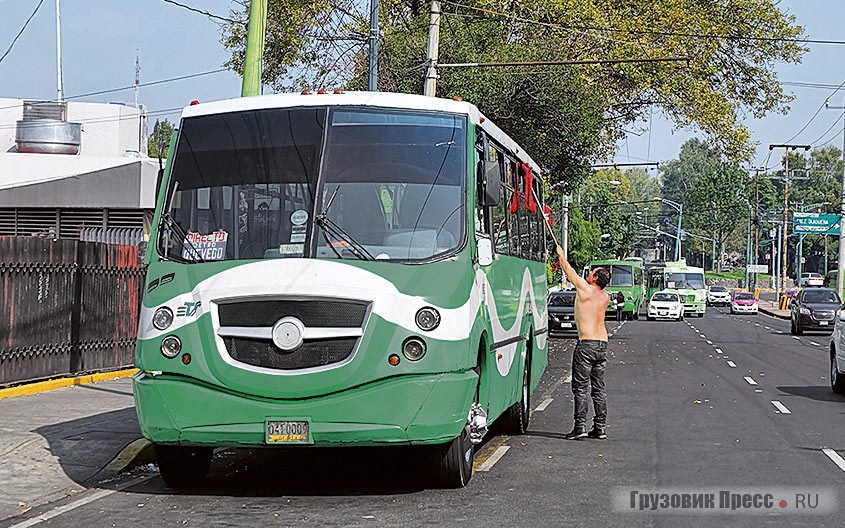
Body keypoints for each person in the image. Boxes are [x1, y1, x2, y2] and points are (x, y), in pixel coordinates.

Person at [556, 244, 611, 440]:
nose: (588, 274)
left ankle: (580, 426)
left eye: (592, 272)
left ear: (595, 278)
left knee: (580, 387)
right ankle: (600, 427)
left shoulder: (585, 290)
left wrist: (561, 255)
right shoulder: (605, 296)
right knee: (599, 387)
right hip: (602, 344)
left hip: (586, 344)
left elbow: (567, 269)